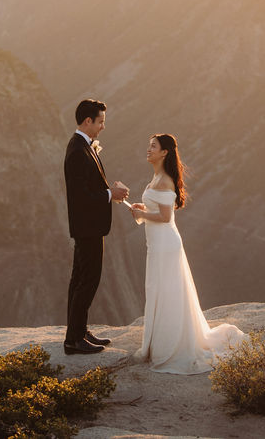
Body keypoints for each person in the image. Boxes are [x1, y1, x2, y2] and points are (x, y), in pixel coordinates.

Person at [129, 133, 245, 374]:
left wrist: (141, 215)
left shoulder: (164, 180)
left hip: (165, 244)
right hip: (158, 243)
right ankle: (159, 343)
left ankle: (168, 346)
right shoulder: (157, 177)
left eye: (153, 146)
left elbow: (165, 217)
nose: (148, 149)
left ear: (165, 153)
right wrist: (142, 208)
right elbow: (158, 211)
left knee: (167, 290)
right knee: (158, 289)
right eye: (148, 145)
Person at [63, 99, 129, 355]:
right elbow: (82, 196)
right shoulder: (78, 151)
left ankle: (79, 331)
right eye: (100, 121)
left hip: (87, 226)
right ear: (87, 121)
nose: (103, 126)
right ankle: (73, 340)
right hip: (87, 227)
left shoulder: (82, 146)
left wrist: (108, 191)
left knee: (79, 279)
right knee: (87, 281)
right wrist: (111, 194)